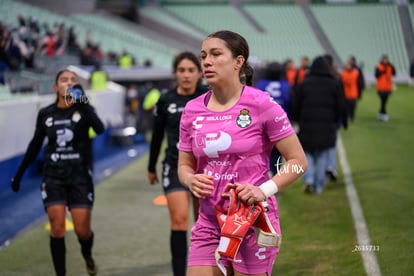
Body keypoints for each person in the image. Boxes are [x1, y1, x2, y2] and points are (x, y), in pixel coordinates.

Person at [177, 30, 307, 276]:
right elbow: (185, 165)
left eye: (216, 54)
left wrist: (262, 190)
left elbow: (298, 162)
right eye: (203, 55)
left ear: (239, 62)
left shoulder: (263, 104)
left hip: (251, 220)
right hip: (208, 221)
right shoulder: (191, 110)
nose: (206, 61)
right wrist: (190, 179)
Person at [11, 70, 104, 276]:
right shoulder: (46, 114)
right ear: (55, 87)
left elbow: (100, 129)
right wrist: (19, 174)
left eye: (73, 80)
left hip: (80, 177)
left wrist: (83, 103)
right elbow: (35, 145)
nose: (69, 83)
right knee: (57, 227)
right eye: (64, 80)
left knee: (82, 231)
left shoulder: (84, 109)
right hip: (53, 177)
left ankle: (87, 256)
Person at [147, 51, 207, 276]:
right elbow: (156, 136)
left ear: (200, 73)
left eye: (191, 70)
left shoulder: (208, 98)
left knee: (204, 224)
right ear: (175, 73)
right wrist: (151, 166)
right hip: (174, 166)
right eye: (182, 70)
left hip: (205, 169)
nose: (186, 75)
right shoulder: (165, 100)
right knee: (180, 221)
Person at [291, 55, 347, 194]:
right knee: (322, 155)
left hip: (307, 125)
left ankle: (308, 179)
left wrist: (297, 119)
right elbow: (341, 106)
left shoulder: (305, 83)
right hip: (327, 126)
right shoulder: (334, 84)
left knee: (306, 153)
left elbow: (295, 104)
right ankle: (318, 185)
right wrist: (336, 120)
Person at [255, 61, 291, 176]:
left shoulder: (260, 85)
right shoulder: (286, 86)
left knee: (263, 153)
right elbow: (292, 104)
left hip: (261, 126)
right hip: (281, 125)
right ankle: (275, 176)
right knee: (277, 154)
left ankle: (266, 174)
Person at [374, 54, 396, 122]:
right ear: (382, 60)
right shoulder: (378, 66)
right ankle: (384, 114)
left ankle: (381, 113)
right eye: (384, 59)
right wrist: (382, 71)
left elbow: (394, 73)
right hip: (380, 87)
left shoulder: (390, 66)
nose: (385, 61)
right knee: (383, 100)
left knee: (384, 101)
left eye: (386, 59)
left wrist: (391, 66)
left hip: (388, 87)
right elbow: (376, 75)